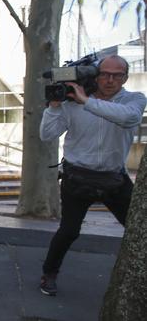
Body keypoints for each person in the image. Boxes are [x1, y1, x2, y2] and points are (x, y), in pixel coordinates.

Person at [39, 55, 146, 296]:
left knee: (139, 229)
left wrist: (86, 101)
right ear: (95, 75)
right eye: (104, 74)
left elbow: (129, 117)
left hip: (114, 179)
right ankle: (49, 273)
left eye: (116, 75)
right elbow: (46, 135)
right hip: (77, 178)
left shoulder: (134, 99)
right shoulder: (72, 102)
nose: (109, 80)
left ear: (125, 78)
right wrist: (54, 107)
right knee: (68, 231)